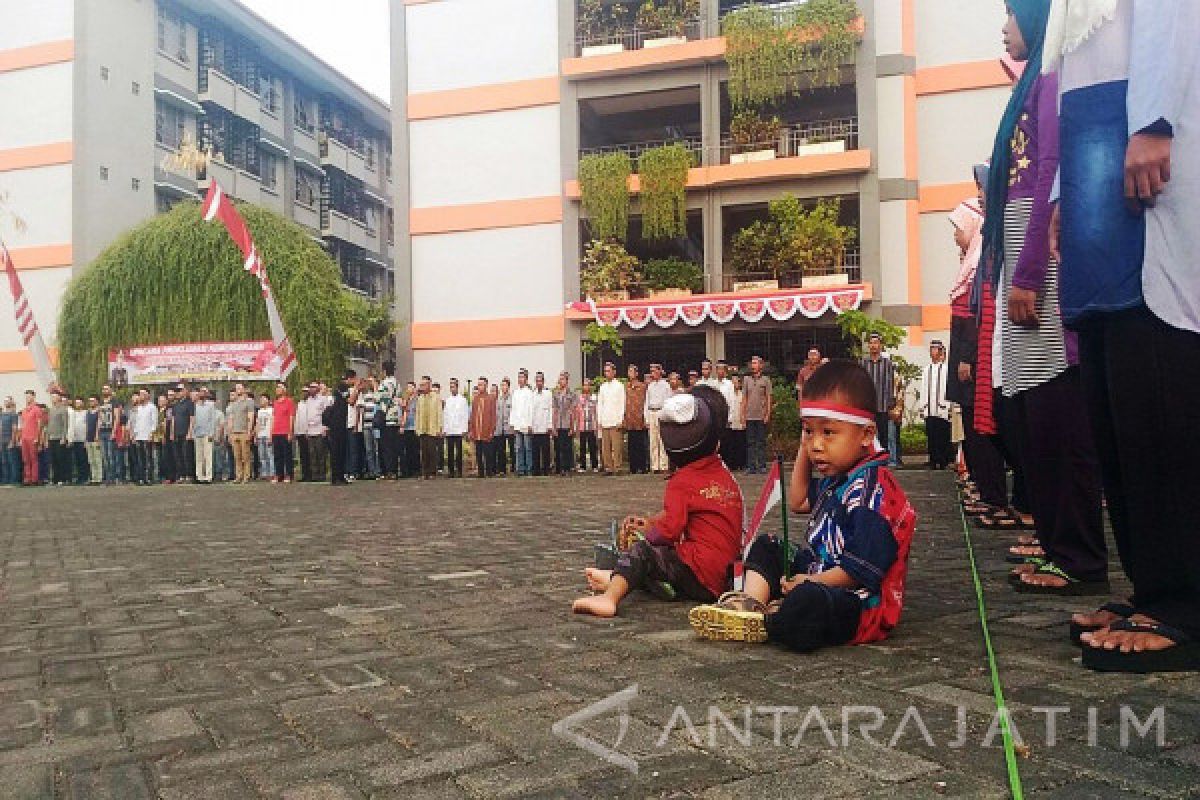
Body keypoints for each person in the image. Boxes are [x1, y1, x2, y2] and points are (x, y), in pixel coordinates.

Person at [1045, 0, 1200, 671]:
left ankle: (1187, 599)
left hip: (1149, 145)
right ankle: (1151, 584)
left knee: (1156, 376)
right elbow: (1070, 85)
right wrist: (1059, 190)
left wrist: (1155, 120)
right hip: (1094, 160)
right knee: (1112, 386)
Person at [980, 2, 1107, 596]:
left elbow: (1049, 171)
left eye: (1011, 13)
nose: (1005, 28)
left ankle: (1077, 556)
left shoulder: (1052, 73)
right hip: (1023, 251)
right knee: (1034, 413)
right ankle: (1060, 547)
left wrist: (1029, 271)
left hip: (1039, 258)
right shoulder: (1035, 76)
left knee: (1055, 412)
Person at [690, 362, 917, 651]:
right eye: (809, 432)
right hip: (816, 574)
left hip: (856, 603)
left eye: (828, 433)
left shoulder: (873, 495)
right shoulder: (841, 476)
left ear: (866, 435)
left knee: (808, 603)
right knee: (768, 545)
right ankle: (750, 605)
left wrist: (810, 581)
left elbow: (857, 573)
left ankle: (772, 621)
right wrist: (805, 442)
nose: (816, 445)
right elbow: (797, 501)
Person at [572, 388, 742, 618]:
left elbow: (671, 529)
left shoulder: (682, 480)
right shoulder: (722, 472)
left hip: (699, 573)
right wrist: (650, 522)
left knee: (645, 552)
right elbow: (693, 512)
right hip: (722, 578)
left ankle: (610, 596)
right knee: (663, 557)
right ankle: (618, 576)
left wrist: (646, 538)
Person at [860, 334, 896, 457]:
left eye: (876, 343)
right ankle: (869, 458)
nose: (874, 345)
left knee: (883, 435)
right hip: (868, 406)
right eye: (871, 343)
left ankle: (883, 459)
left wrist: (891, 403)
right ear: (868, 346)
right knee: (868, 434)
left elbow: (890, 383)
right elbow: (861, 384)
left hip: (883, 405)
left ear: (880, 345)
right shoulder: (863, 363)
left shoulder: (887, 363)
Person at [922, 340, 952, 470]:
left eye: (935, 349)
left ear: (940, 351)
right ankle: (933, 459)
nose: (933, 352)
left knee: (942, 434)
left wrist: (948, 405)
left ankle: (943, 459)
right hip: (929, 407)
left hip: (942, 407)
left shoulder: (946, 369)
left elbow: (948, 388)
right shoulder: (926, 370)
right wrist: (923, 406)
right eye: (931, 349)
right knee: (931, 434)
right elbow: (923, 388)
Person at [741, 355, 772, 474]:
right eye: (752, 363)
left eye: (755, 363)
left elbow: (769, 398)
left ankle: (762, 466)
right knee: (750, 442)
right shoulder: (746, 380)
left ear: (761, 365)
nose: (753, 365)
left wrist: (768, 414)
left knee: (761, 442)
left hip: (761, 415)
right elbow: (744, 398)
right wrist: (742, 415)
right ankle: (751, 466)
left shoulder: (766, 380)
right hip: (749, 416)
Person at [325, 373, 355, 486]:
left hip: (338, 423)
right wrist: (356, 388)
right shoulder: (342, 387)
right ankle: (337, 477)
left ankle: (339, 476)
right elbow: (351, 401)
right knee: (338, 451)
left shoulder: (339, 388)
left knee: (340, 450)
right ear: (350, 378)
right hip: (337, 423)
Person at [596, 362, 625, 475]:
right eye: (605, 371)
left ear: (614, 372)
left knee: (617, 446)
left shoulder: (619, 386)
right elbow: (600, 404)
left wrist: (620, 419)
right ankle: (608, 467)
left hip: (615, 420)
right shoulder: (603, 387)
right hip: (605, 420)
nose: (606, 373)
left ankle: (617, 467)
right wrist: (599, 420)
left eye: (608, 371)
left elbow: (622, 403)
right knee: (605, 447)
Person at [644, 363, 671, 474]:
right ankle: (655, 465)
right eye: (651, 371)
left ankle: (664, 465)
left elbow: (668, 401)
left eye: (655, 371)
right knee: (653, 440)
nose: (653, 373)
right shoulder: (650, 386)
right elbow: (647, 402)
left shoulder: (665, 385)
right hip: (652, 412)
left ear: (660, 371)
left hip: (661, 411)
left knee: (662, 440)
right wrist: (646, 418)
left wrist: (665, 416)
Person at [226, 384, 255, 484]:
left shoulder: (249, 402)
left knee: (245, 456)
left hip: (244, 432)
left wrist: (249, 432)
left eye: (239, 388)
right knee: (236, 456)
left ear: (244, 389)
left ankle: (246, 476)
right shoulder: (233, 404)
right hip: (234, 432)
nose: (238, 390)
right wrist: (230, 433)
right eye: (236, 388)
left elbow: (250, 417)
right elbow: (231, 419)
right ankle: (238, 476)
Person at [468, 377, 497, 478]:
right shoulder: (475, 399)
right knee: (478, 453)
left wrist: (492, 430)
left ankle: (489, 472)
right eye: (479, 384)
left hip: (486, 431)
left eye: (482, 384)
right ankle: (480, 473)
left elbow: (493, 416)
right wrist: (471, 430)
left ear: (486, 386)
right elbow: (472, 416)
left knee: (488, 454)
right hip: (477, 431)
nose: (480, 387)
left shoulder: (491, 399)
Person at [415, 376, 442, 479]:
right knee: (424, 452)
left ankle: (432, 472)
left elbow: (439, 412)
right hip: (422, 428)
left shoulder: (436, 397)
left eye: (424, 384)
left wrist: (439, 427)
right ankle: (424, 472)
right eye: (421, 385)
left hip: (432, 428)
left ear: (429, 384)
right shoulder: (420, 398)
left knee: (432, 451)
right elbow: (418, 414)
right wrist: (417, 428)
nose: (422, 386)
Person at [17, 389, 46, 486]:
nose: (28, 398)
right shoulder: (24, 410)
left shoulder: (36, 409)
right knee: (25, 459)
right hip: (24, 437)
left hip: (32, 437)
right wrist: (21, 438)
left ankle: (34, 479)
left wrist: (37, 437)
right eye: (26, 397)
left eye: (29, 396)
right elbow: (22, 425)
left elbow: (39, 424)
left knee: (34, 459)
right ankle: (27, 478)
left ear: (33, 397)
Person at [624, 365, 649, 475]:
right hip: (630, 419)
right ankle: (633, 467)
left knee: (641, 444)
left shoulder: (643, 387)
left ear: (637, 373)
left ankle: (642, 466)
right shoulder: (626, 387)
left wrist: (645, 417)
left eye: (632, 371)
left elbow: (646, 402)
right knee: (631, 444)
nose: (630, 373)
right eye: (628, 371)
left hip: (639, 419)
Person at [303, 382, 330, 482]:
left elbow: (326, 414)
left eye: (313, 387)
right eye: (310, 387)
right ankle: (315, 474)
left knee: (320, 453)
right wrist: (306, 429)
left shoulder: (323, 399)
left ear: (317, 388)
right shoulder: (308, 401)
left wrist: (325, 427)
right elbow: (307, 415)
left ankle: (322, 474)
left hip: (319, 429)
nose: (311, 389)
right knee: (312, 453)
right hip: (310, 430)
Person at [442, 377, 468, 478]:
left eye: (453, 386)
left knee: (459, 452)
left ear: (457, 387)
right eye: (450, 387)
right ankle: (451, 471)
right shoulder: (448, 400)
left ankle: (459, 471)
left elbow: (465, 415)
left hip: (458, 430)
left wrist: (464, 429)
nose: (452, 388)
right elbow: (445, 415)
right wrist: (444, 429)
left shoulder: (463, 400)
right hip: (449, 430)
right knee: (450, 452)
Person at [270, 382, 296, 483]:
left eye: (279, 387)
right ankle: (278, 474)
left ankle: (289, 474)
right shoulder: (275, 403)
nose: (277, 389)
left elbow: (291, 417)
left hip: (285, 431)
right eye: (277, 387)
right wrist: (271, 432)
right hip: (276, 432)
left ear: (284, 390)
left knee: (287, 455)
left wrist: (290, 432)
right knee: (277, 455)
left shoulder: (289, 402)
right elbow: (273, 418)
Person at [551, 372, 575, 476]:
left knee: (567, 448)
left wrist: (572, 427)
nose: (561, 381)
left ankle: (567, 468)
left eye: (563, 379)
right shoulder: (556, 394)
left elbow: (573, 411)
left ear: (567, 380)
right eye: (560, 379)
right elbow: (554, 410)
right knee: (558, 447)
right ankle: (559, 468)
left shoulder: (571, 394)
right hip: (558, 424)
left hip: (567, 424)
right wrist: (553, 426)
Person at [191, 389, 217, 484]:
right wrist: (192, 433)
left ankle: (208, 477)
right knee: (199, 457)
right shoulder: (194, 406)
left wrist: (211, 433)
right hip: (197, 434)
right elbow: (192, 421)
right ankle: (199, 476)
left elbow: (212, 420)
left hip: (207, 434)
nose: (201, 394)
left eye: (203, 392)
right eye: (200, 392)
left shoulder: (210, 405)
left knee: (208, 456)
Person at [573, 382, 600, 473]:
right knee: (582, 447)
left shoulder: (594, 397)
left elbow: (596, 412)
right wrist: (576, 427)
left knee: (593, 447)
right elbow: (577, 413)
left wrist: (597, 426)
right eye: (585, 385)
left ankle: (595, 465)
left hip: (592, 426)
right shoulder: (579, 398)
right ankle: (583, 466)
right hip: (582, 426)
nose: (586, 386)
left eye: (588, 385)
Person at [530, 371, 553, 477]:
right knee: (535, 450)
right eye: (537, 381)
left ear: (543, 382)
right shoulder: (532, 394)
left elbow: (550, 410)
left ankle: (546, 469)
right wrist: (530, 425)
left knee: (545, 450)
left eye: (540, 381)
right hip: (535, 426)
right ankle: (536, 470)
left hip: (544, 426)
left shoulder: (548, 394)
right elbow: (530, 411)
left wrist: (550, 425)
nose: (539, 383)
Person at [45, 391, 70, 486]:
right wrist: (47, 438)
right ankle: (55, 479)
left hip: (59, 437)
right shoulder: (51, 410)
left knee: (60, 459)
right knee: (53, 459)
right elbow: (48, 425)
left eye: (54, 397)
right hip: (51, 437)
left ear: (59, 398)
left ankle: (62, 479)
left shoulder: (63, 409)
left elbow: (65, 425)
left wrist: (64, 437)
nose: (53, 399)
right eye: (52, 397)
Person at [172, 384, 195, 484]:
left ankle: (189, 475)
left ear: (185, 391)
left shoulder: (189, 403)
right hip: (177, 433)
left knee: (187, 455)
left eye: (180, 391)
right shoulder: (176, 405)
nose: (178, 393)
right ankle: (181, 475)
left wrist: (190, 432)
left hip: (186, 433)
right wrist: (172, 433)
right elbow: (173, 419)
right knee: (178, 455)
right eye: (177, 391)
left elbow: (192, 418)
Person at [726, 374, 747, 472]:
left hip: (740, 421)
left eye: (737, 382)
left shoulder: (742, 394)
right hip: (731, 422)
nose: (735, 384)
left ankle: (742, 463)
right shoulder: (728, 394)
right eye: (733, 382)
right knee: (731, 444)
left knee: (741, 444)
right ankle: (732, 464)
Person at [493, 378, 513, 476]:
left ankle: (514, 469)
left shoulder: (512, 398)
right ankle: (502, 470)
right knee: (501, 451)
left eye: (505, 385)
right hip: (500, 429)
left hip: (510, 428)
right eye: (502, 385)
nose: (503, 387)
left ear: (508, 387)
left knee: (513, 450)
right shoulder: (499, 400)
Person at [253, 392, 274, 480]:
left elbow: (273, 423)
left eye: (264, 399)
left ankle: (272, 473)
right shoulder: (260, 411)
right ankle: (264, 473)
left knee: (270, 455)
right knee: (262, 456)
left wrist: (271, 435)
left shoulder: (272, 410)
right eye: (261, 399)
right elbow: (257, 423)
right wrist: (255, 435)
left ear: (268, 400)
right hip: (260, 435)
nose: (262, 401)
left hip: (268, 434)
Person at [0, 397, 19, 486]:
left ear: (11, 402)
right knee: (4, 461)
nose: (6, 402)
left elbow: (14, 428)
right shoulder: (2, 414)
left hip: (10, 440)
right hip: (2, 441)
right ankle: (5, 479)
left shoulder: (13, 414)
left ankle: (14, 480)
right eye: (5, 401)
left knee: (12, 461)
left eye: (8, 400)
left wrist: (12, 441)